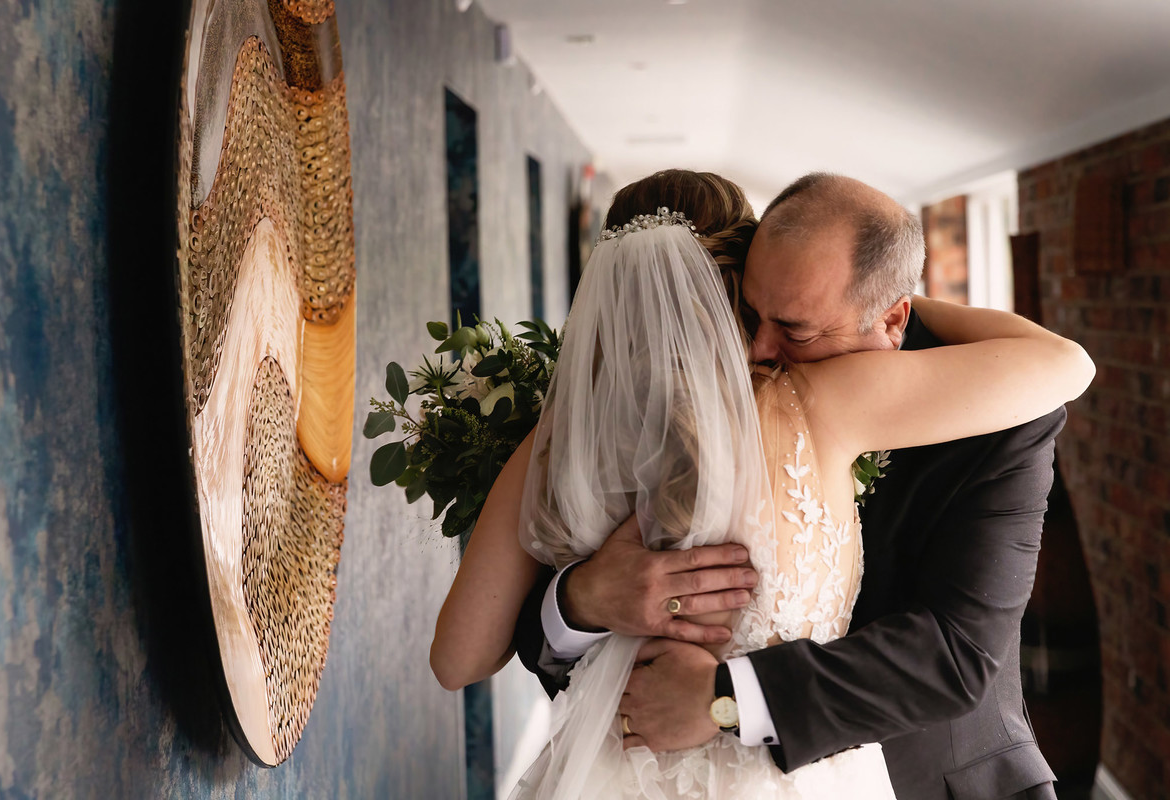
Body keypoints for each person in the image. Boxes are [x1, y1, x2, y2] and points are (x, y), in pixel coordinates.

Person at [432, 170, 1094, 798]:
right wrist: (579, 598)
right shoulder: (815, 400)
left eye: (795, 326)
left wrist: (725, 698)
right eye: (756, 314)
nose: (762, 348)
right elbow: (1065, 360)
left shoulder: (559, 438)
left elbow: (953, 657)